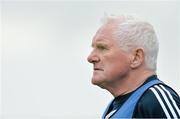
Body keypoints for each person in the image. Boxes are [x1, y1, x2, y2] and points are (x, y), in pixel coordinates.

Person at [87, 14, 180, 118]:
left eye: (102, 48)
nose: (90, 58)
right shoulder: (113, 109)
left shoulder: (155, 101)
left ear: (136, 57)